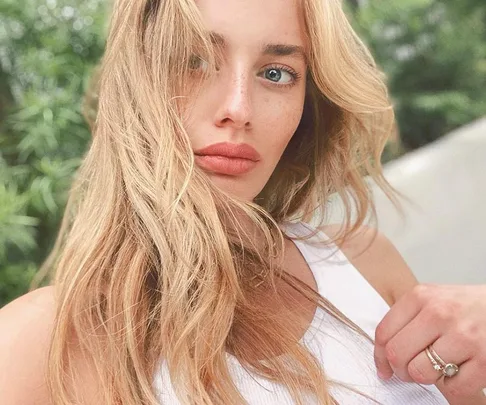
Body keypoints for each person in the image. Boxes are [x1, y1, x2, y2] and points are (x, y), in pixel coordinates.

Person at [0, 0, 485, 404]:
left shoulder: (365, 265)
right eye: (192, 60)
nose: (238, 108)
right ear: (133, 82)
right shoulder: (35, 346)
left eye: (276, 73)